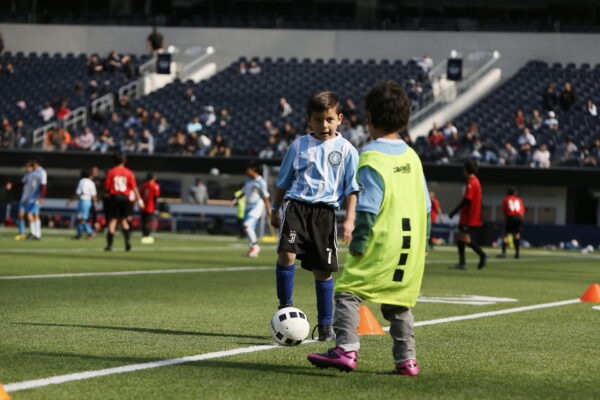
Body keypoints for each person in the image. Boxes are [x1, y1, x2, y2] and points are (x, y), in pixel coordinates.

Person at [307, 80, 430, 376]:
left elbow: (368, 207)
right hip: (411, 247)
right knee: (398, 302)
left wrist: (359, 240)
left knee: (348, 292)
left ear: (369, 118)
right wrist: (424, 245)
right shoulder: (412, 157)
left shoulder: (372, 157)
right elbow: (425, 205)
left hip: (382, 243)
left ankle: (346, 349)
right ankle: (407, 360)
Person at [270, 91, 359, 341]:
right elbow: (282, 182)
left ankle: (326, 324)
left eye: (329, 119)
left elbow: (353, 189)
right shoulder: (298, 145)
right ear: (309, 120)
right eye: (319, 120)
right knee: (286, 254)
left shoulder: (347, 150)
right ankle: (285, 308)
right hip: (296, 207)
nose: (325, 125)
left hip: (325, 214)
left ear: (340, 118)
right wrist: (275, 210)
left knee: (323, 271)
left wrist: (349, 221)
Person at [448, 160, 487, 270]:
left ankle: (482, 254)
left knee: (465, 239)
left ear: (466, 169)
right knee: (460, 238)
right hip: (470, 215)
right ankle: (462, 263)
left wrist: (454, 212)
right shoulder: (475, 181)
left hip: (469, 216)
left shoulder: (471, 181)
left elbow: (467, 200)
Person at [103, 153, 143, 251]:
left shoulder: (111, 172)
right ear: (124, 161)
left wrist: (102, 196)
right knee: (124, 220)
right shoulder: (129, 172)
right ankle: (127, 242)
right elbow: (134, 187)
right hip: (125, 198)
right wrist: (140, 200)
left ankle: (110, 245)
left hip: (114, 197)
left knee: (113, 221)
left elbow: (106, 187)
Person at [241, 162, 271, 257]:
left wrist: (268, 209)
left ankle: (255, 246)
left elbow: (265, 196)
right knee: (249, 228)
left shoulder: (260, 182)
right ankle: (253, 249)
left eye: (247, 169)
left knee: (247, 225)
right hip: (248, 207)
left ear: (253, 169)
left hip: (257, 206)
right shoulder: (248, 182)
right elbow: (242, 192)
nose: (246, 172)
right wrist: (235, 200)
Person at [18, 158, 47, 240]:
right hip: (31, 197)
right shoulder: (33, 172)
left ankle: (34, 233)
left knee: (30, 214)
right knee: (35, 214)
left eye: (33, 163)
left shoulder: (41, 172)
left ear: (36, 163)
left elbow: (43, 185)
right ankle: (37, 234)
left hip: (35, 197)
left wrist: (41, 197)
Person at [67, 169, 97, 239]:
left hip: (83, 201)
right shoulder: (91, 182)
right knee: (81, 218)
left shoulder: (82, 181)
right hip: (89, 202)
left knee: (81, 219)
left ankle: (90, 232)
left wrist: (71, 200)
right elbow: (94, 196)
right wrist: (95, 205)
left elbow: (78, 192)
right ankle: (79, 234)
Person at [498, 187, 525, 259]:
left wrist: (505, 219)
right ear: (515, 193)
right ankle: (517, 254)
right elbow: (522, 211)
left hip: (510, 217)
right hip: (518, 217)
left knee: (505, 235)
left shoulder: (506, 199)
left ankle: (504, 253)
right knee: (517, 235)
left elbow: (504, 211)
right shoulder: (519, 199)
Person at [14, 162, 33, 240]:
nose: (26, 168)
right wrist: (12, 185)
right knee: (20, 215)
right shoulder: (27, 175)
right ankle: (22, 233)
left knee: (30, 215)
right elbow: (21, 183)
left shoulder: (34, 175)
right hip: (24, 198)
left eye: (27, 167)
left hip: (31, 199)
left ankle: (33, 233)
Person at [140, 173, 160, 244]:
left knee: (144, 221)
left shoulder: (144, 185)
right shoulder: (155, 185)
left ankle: (144, 235)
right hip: (150, 206)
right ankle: (147, 236)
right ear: (154, 178)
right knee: (148, 222)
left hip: (143, 206)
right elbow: (155, 197)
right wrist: (156, 208)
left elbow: (141, 195)